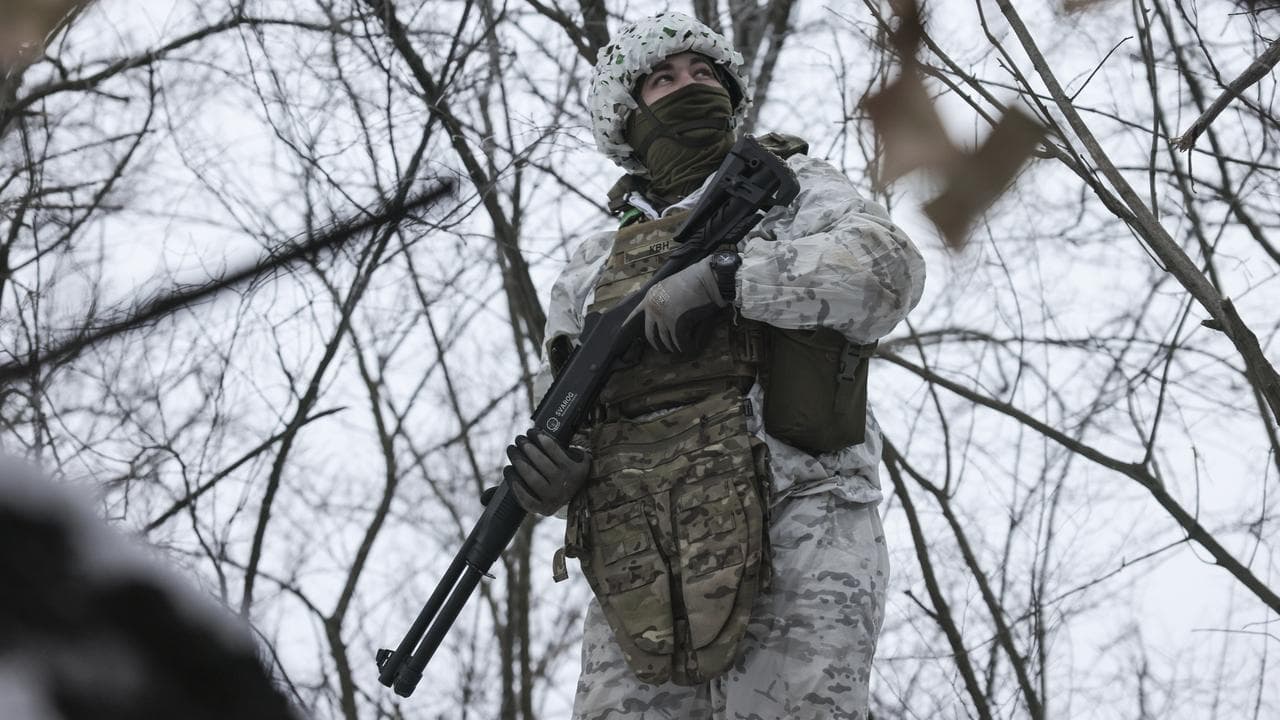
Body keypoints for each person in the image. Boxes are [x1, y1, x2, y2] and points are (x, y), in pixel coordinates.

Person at [503, 11, 926, 720]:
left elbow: (890, 272)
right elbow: (564, 407)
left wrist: (729, 276)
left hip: (797, 527)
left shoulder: (798, 191)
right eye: (662, 81)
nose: (689, 87)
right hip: (641, 561)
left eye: (705, 74)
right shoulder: (588, 271)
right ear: (627, 119)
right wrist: (558, 479)